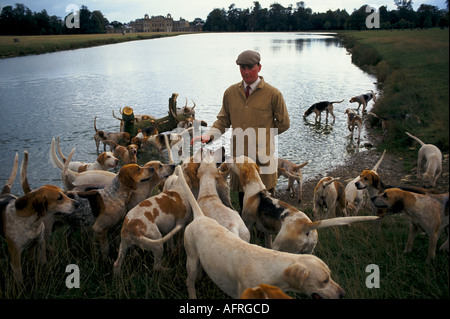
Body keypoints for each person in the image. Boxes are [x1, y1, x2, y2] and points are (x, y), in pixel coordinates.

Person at [191, 49, 290, 210]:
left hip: (263, 161)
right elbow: (223, 120)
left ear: (259, 67)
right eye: (242, 68)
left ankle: (263, 235)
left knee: (266, 205)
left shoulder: (273, 94)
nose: (246, 72)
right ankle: (246, 234)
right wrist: (209, 136)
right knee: (245, 203)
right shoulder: (230, 93)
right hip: (240, 159)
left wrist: (264, 137)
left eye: (250, 67)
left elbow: (284, 123)